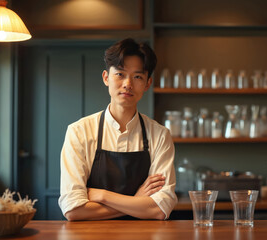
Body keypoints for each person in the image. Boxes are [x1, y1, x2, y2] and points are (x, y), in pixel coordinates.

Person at [58, 38, 177, 221]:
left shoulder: (160, 135)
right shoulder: (79, 132)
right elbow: (73, 210)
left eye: (137, 76)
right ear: (106, 78)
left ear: (147, 83)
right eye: (120, 74)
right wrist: (137, 201)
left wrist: (103, 195)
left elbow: (160, 209)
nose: (128, 84)